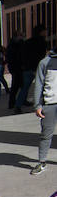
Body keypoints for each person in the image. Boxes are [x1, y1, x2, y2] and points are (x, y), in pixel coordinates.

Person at [31, 48, 57, 176]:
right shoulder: (45, 62)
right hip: (50, 103)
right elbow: (39, 84)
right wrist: (38, 105)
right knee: (46, 135)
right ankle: (42, 162)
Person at [19, 25, 48, 114]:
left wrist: (24, 65)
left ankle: (18, 106)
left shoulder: (27, 42)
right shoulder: (42, 42)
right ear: (41, 32)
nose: (46, 32)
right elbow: (42, 56)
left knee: (24, 88)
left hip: (27, 68)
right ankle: (44, 105)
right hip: (37, 67)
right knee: (43, 87)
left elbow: (23, 55)